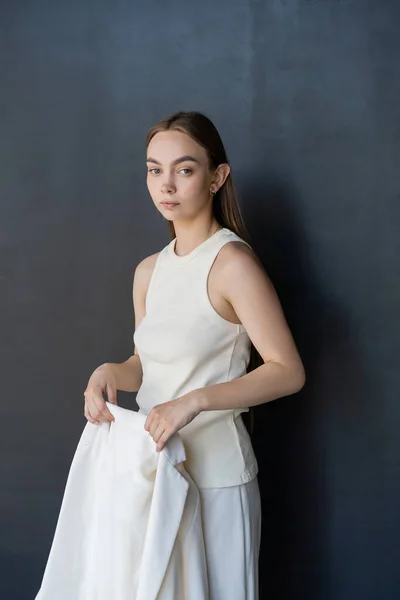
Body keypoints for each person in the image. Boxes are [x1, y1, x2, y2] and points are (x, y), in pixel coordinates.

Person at [83, 111, 306, 599]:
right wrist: (110, 372)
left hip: (217, 480)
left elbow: (288, 372)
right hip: (156, 472)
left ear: (216, 177)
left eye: (183, 169)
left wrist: (194, 402)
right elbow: (147, 365)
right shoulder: (148, 271)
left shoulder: (233, 264)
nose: (166, 184)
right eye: (153, 169)